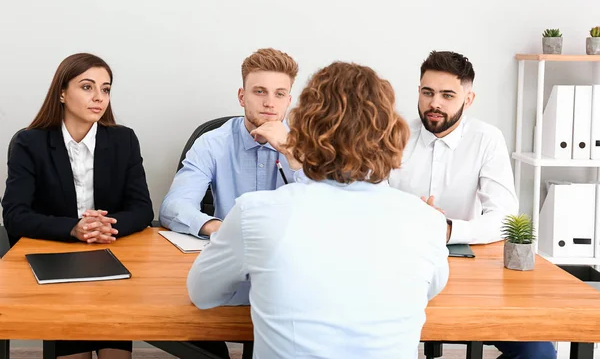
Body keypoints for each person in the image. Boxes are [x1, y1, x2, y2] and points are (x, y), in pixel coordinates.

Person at [187, 61, 450, 359]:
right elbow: (430, 289)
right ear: (390, 132)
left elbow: (202, 294)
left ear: (303, 129)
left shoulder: (255, 213)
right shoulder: (427, 222)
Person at [389, 50, 556, 359]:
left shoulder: (487, 139)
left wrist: (447, 229)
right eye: (427, 92)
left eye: (447, 95)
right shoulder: (393, 135)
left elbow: (504, 215)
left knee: (538, 352)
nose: (434, 103)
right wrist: (412, 218)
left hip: (464, 273)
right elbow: (368, 199)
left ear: (468, 99)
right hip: (397, 266)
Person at [2, 53, 153, 359]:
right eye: (87, 87)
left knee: (116, 354)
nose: (99, 97)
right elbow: (15, 215)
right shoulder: (29, 143)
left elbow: (142, 209)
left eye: (106, 89)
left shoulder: (124, 140)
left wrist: (105, 227)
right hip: (55, 258)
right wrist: (73, 228)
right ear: (61, 92)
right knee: (76, 351)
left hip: (112, 255)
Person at [159, 47, 301, 238]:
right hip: (231, 252)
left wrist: (291, 153)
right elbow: (173, 206)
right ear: (242, 97)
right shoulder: (212, 143)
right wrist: (219, 229)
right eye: (260, 91)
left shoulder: (311, 142)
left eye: (279, 94)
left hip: (293, 253)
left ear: (288, 100)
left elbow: (332, 205)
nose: (269, 102)